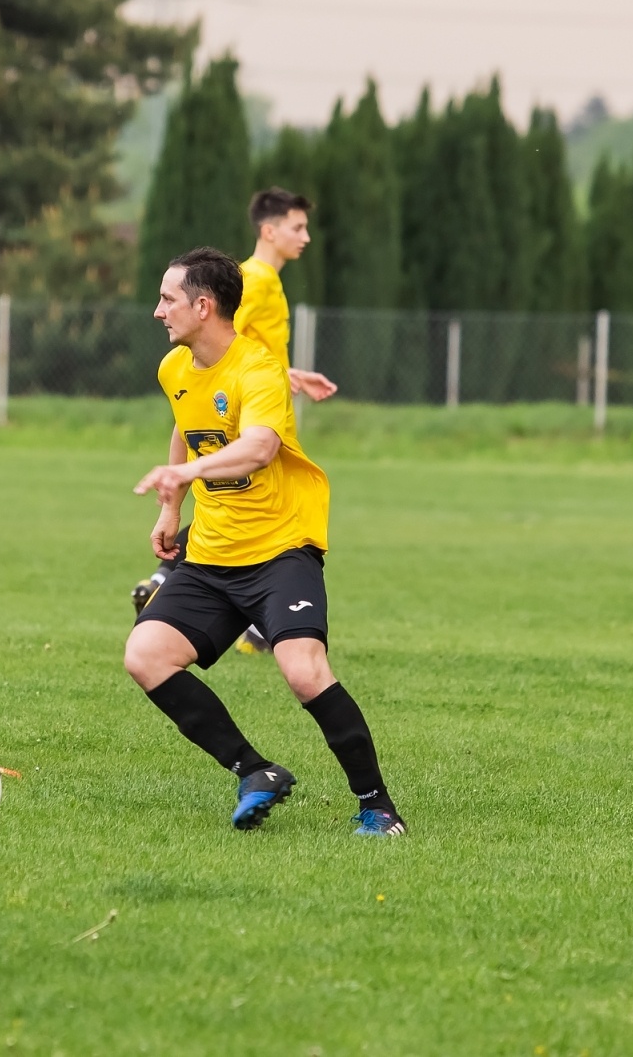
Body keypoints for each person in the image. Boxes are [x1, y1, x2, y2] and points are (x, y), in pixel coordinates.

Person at [124, 247, 405, 836]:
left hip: (281, 549)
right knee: (145, 655)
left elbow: (259, 447)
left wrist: (186, 476)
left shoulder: (258, 369)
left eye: (167, 299)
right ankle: (255, 771)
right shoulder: (174, 368)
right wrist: (171, 506)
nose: (158, 312)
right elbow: (184, 428)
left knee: (303, 670)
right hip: (211, 553)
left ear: (203, 306)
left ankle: (377, 805)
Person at [131, 188, 337, 655]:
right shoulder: (258, 279)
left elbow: (239, 349)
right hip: (243, 416)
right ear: (269, 230)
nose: (305, 237)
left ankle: (176, 585)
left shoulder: (265, 279)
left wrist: (288, 373)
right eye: (297, 227)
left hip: (256, 403)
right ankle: (186, 589)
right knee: (250, 504)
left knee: (232, 502)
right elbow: (220, 346)